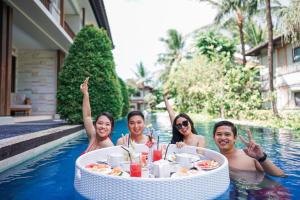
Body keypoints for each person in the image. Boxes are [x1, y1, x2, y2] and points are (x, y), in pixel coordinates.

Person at [213, 120, 286, 177]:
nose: (223, 138)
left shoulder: (248, 154)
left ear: (235, 138)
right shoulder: (214, 160)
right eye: (219, 134)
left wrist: (261, 157)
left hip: (269, 192)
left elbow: (281, 175)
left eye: (227, 134)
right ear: (214, 137)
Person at [80, 77, 114, 154]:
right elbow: (87, 116)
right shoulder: (93, 135)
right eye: (100, 123)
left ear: (111, 128)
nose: (103, 127)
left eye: (107, 124)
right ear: (95, 125)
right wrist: (86, 94)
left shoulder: (110, 146)